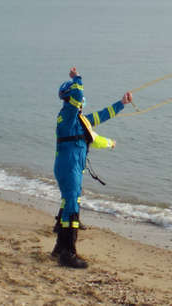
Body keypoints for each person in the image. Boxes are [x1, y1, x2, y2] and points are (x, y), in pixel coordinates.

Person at [51, 66, 132, 268]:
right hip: (68, 166)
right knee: (71, 205)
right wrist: (77, 77)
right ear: (70, 99)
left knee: (68, 203)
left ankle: (60, 249)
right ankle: (68, 254)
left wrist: (122, 103)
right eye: (77, 99)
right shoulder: (67, 115)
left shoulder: (80, 119)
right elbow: (78, 92)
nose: (81, 101)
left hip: (71, 166)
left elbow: (103, 115)